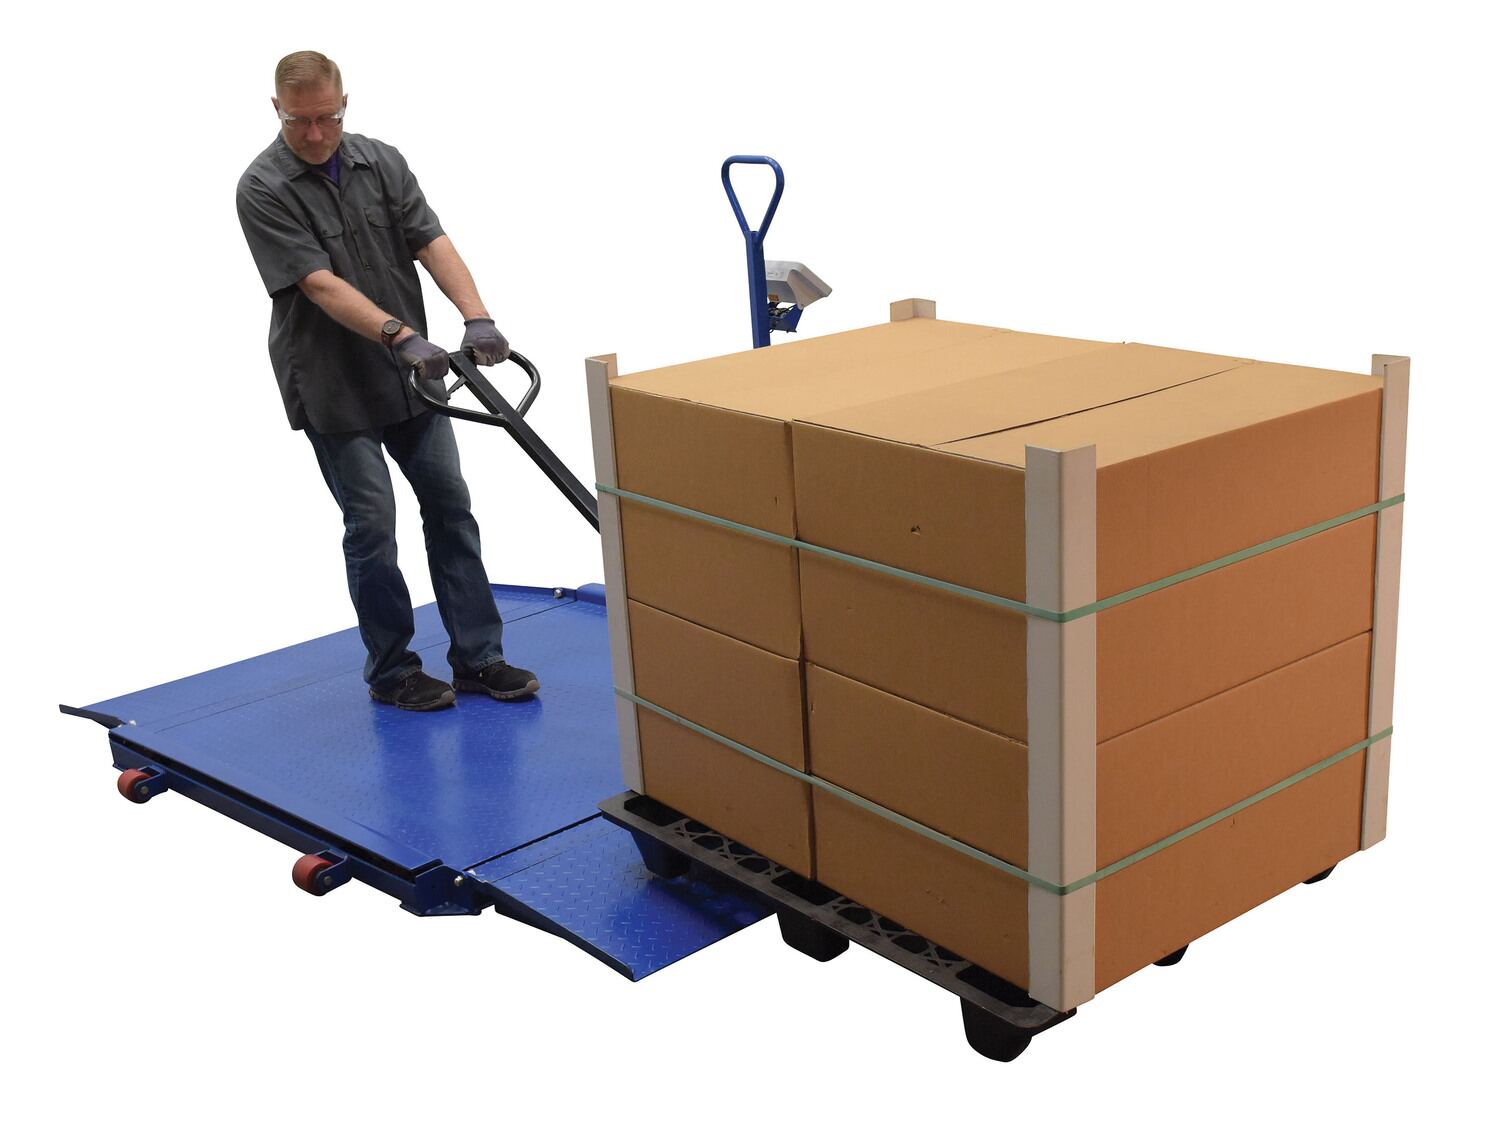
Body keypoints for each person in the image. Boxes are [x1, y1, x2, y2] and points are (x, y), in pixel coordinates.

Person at [235, 50, 538, 711]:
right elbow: (317, 283)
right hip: (332, 381)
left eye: (327, 118)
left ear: (345, 103)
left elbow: (431, 241)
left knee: (450, 504)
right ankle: (393, 671)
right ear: (276, 110)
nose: (315, 134)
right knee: (372, 523)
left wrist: (478, 316)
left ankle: (479, 659)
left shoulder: (381, 162)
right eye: (298, 121)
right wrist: (400, 335)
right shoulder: (261, 187)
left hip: (412, 377)